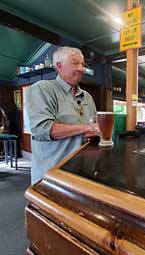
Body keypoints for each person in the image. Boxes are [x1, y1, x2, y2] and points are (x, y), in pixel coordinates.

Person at [27, 46, 99, 184]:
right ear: (59, 66)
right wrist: (89, 127)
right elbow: (43, 129)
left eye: (82, 64)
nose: (81, 68)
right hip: (51, 176)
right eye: (75, 63)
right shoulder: (43, 88)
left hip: (81, 174)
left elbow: (92, 131)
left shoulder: (87, 97)